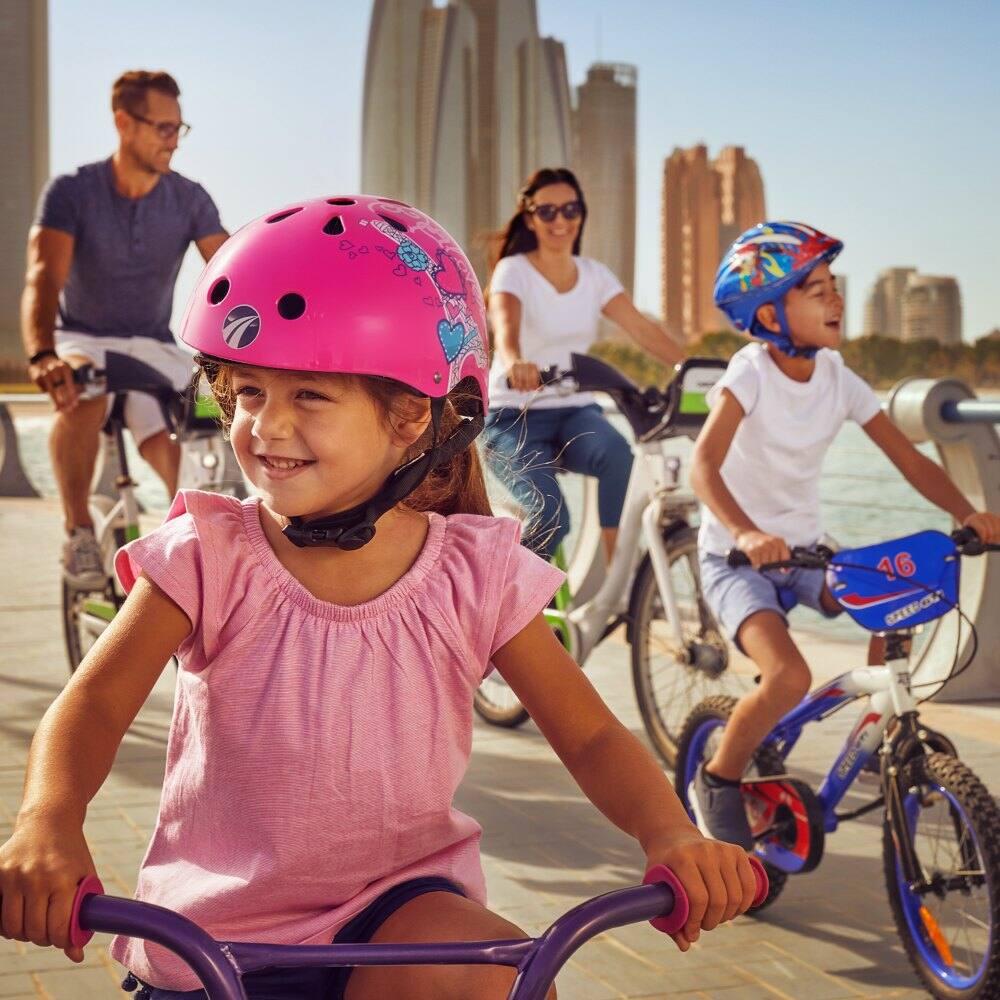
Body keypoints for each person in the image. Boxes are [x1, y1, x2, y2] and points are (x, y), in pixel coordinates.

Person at [0, 197, 757, 1000]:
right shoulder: (210, 555)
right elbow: (91, 708)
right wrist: (48, 822)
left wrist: (669, 831)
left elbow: (593, 736)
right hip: (214, 941)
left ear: (410, 416)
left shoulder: (473, 571)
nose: (264, 425)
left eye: (310, 397)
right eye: (248, 391)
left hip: (398, 915)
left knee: (497, 976)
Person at [688, 221, 1000, 848]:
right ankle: (717, 780)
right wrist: (746, 534)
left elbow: (909, 461)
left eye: (834, 287)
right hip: (737, 560)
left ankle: (880, 734)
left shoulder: (838, 377)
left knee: (893, 606)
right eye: (817, 290)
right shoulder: (751, 370)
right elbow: (703, 465)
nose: (835, 301)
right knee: (788, 676)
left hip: (808, 551)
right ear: (771, 311)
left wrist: (970, 513)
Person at [21, 69, 229, 589]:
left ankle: (194, 542)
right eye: (163, 129)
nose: (173, 142)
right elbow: (44, 277)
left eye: (179, 129)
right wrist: (43, 354)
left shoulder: (189, 198)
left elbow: (231, 269)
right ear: (123, 123)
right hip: (83, 338)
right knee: (83, 382)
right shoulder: (72, 192)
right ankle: (80, 532)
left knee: (202, 414)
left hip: (154, 346)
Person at [483, 167, 683, 562]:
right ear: (530, 218)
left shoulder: (594, 276)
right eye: (548, 211)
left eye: (570, 210)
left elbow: (641, 329)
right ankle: (512, 615)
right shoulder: (515, 271)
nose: (561, 221)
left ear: (581, 215)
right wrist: (516, 362)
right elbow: (505, 328)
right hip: (512, 415)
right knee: (550, 516)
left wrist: (693, 369)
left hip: (575, 410)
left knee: (617, 455)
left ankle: (616, 576)